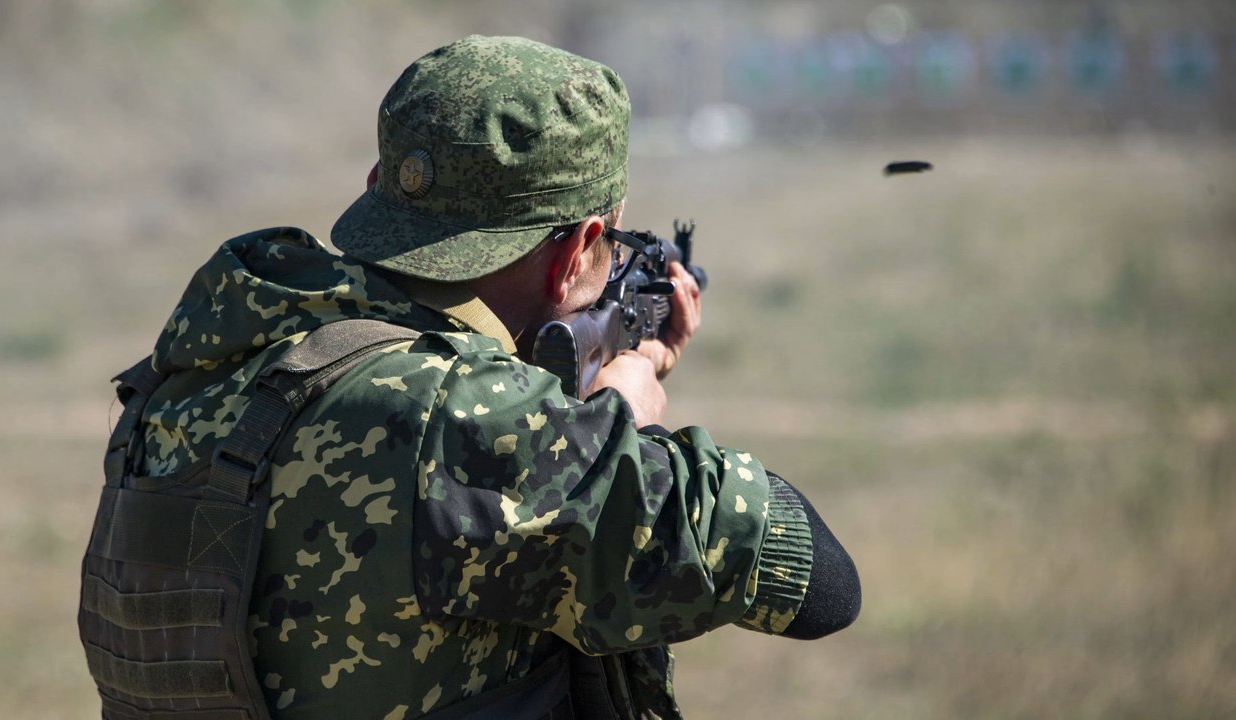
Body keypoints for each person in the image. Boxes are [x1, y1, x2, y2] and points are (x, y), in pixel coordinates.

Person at [86, 35, 860, 719]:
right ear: (577, 249)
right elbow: (821, 580)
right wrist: (623, 417)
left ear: (380, 186)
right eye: (609, 245)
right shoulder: (465, 417)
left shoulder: (196, 375)